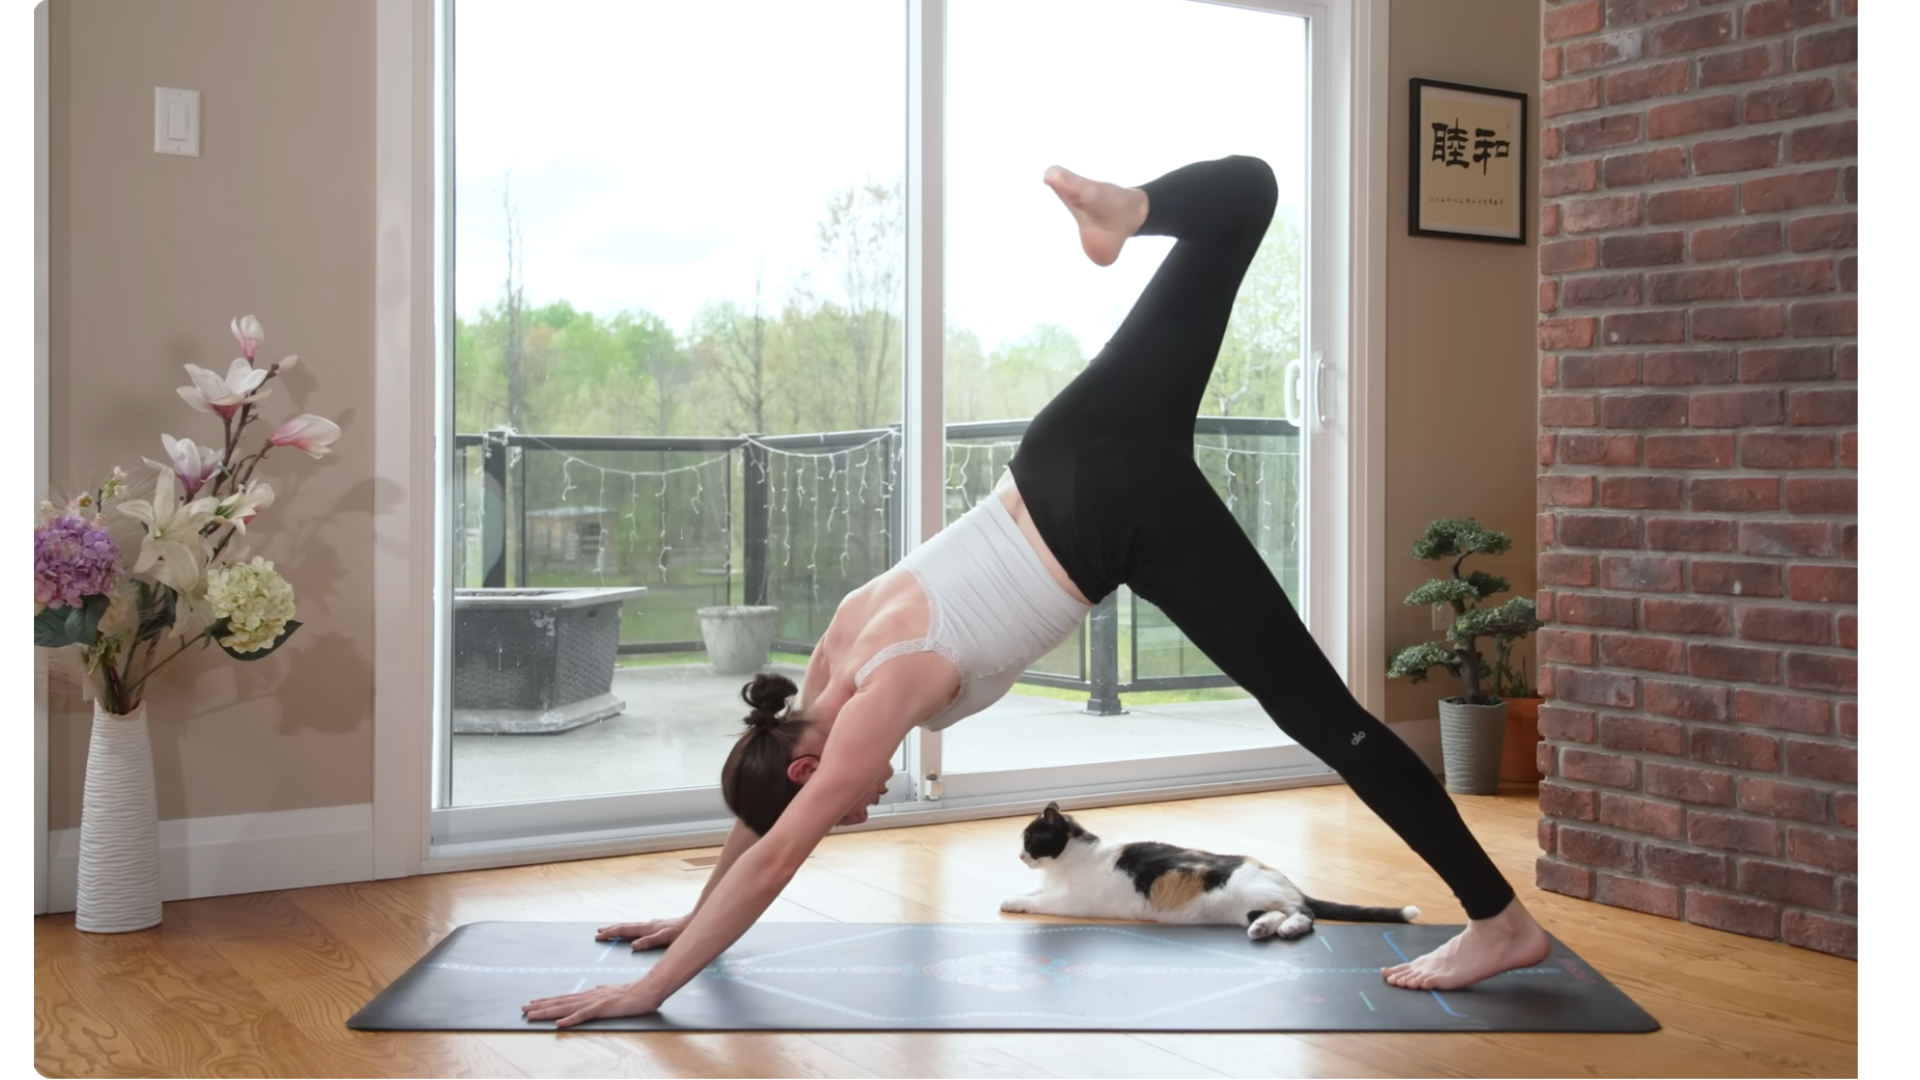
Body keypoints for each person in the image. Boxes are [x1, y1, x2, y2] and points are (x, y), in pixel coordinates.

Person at [522, 155, 1552, 1028]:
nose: (859, 805)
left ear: (810, 775)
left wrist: (656, 986)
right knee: (1244, 197)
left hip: (1113, 516)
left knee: (1333, 722)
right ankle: (1133, 212)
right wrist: (689, 914)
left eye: (840, 809)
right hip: (1062, 445)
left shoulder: (872, 711)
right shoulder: (836, 649)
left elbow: (773, 855)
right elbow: (761, 814)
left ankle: (1500, 921)